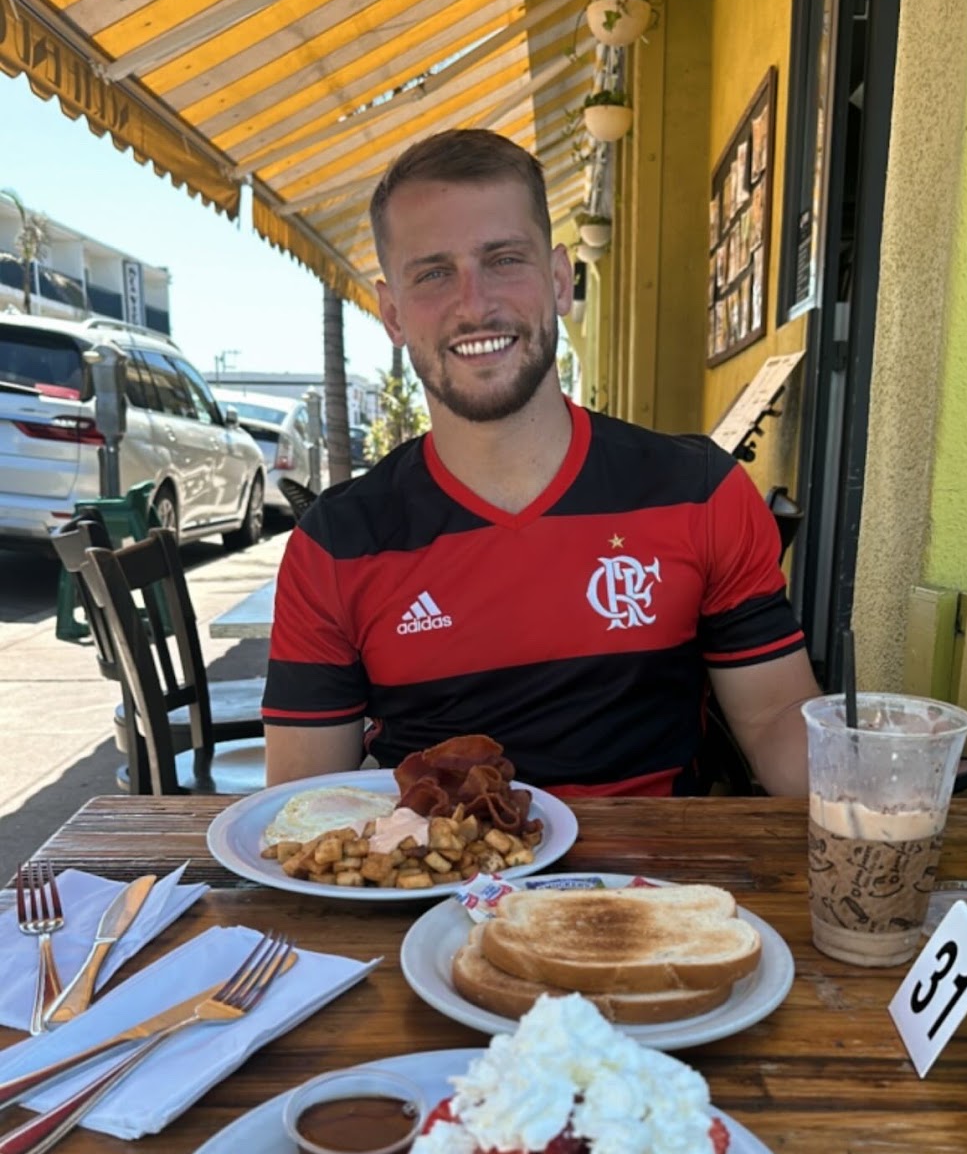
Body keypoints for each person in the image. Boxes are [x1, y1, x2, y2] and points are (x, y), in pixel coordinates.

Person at [263, 129, 819, 796]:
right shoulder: (336, 543)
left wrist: (874, 787)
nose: (475, 304)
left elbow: (775, 718)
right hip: (434, 862)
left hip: (661, 861)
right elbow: (300, 802)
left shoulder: (698, 492)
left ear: (558, 280)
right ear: (393, 314)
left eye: (504, 260)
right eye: (434, 274)